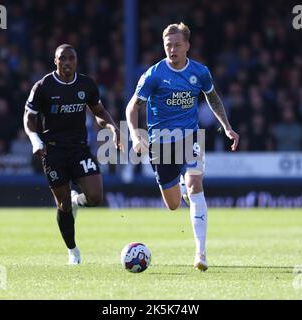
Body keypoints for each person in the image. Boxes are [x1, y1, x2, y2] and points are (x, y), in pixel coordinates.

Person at [125, 23, 239, 271]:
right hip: (161, 143)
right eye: (168, 45)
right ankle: (181, 189)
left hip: (190, 139)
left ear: (187, 45)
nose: (172, 49)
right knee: (173, 204)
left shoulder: (200, 72)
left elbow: (213, 98)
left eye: (177, 45)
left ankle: (201, 253)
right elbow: (132, 106)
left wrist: (227, 127)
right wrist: (135, 135)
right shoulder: (154, 75)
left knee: (196, 184)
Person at [23, 44, 121, 265]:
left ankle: (79, 200)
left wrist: (112, 127)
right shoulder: (43, 87)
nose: (67, 62)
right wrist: (35, 139)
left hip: (79, 148)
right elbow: (28, 118)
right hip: (53, 151)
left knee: (95, 198)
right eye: (62, 58)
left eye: (71, 58)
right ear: (55, 61)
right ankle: (73, 250)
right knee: (63, 205)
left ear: (76, 61)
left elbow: (99, 112)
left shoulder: (86, 84)